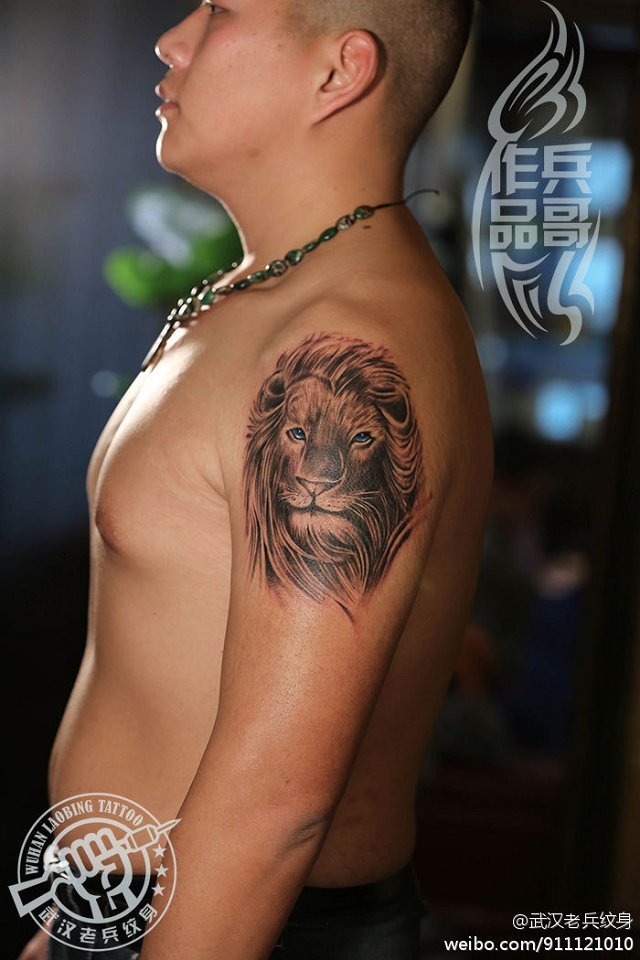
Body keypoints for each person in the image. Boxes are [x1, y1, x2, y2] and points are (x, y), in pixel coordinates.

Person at [19, 0, 492, 957]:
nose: (172, 38)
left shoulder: (344, 345)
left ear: (339, 72)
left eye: (222, 9)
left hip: (233, 924)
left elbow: (274, 808)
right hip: (129, 910)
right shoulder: (266, 291)